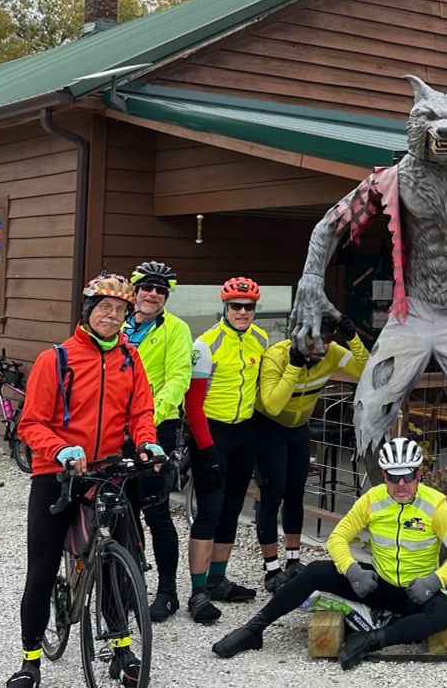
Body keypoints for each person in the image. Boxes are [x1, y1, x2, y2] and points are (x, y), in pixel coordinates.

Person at [5, 274, 161, 688]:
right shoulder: (56, 359)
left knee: (116, 561)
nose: (112, 315)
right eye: (104, 307)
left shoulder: (130, 359)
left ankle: (121, 650)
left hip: (107, 471)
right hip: (56, 474)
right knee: (41, 568)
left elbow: (141, 411)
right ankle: (29, 661)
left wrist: (147, 441)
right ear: (88, 311)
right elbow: (30, 423)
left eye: (120, 310)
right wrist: (61, 450)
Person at [212, 437, 447, 670]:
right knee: (315, 570)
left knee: (442, 613)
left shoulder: (435, 505)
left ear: (419, 474)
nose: (401, 484)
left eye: (408, 475)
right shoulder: (373, 499)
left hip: (415, 592)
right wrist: (352, 570)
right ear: (384, 476)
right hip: (378, 584)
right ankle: (253, 630)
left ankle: (370, 641)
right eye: (394, 477)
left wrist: (434, 582)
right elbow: (338, 537)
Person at [254, 314, 369, 593]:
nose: (321, 346)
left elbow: (366, 369)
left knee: (295, 492)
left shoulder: (331, 352)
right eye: (314, 339)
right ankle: (271, 568)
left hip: (299, 427)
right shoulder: (276, 355)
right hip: (269, 426)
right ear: (298, 336)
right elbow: (272, 405)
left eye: (328, 339)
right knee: (273, 493)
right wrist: (293, 366)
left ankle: (293, 560)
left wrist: (352, 337)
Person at [185, 276, 268, 623]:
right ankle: (198, 591)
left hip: (244, 431)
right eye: (236, 306)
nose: (243, 312)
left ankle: (218, 580)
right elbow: (192, 403)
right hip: (211, 430)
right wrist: (205, 449)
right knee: (210, 510)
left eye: (249, 307)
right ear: (225, 307)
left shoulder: (261, 340)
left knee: (233, 507)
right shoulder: (206, 343)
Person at [123, 260, 193, 622]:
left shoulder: (176, 329)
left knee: (156, 509)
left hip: (155, 426)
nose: (152, 294)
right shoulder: (115, 325)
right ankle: (128, 580)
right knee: (122, 508)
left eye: (160, 290)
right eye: (147, 287)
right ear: (134, 291)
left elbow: (179, 377)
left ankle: (167, 591)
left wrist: (148, 416)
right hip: (113, 429)